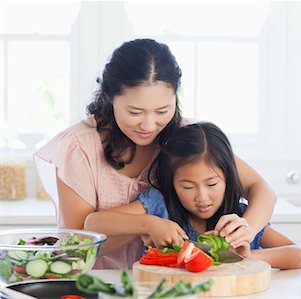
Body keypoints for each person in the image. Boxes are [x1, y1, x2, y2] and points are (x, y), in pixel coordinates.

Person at [33, 38, 277, 269]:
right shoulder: (79, 147)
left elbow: (260, 187)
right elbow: (79, 243)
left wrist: (248, 227)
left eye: (162, 111)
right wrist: (146, 224)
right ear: (110, 96)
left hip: (169, 284)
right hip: (99, 281)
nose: (149, 125)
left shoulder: (188, 138)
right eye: (135, 112)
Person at [85, 122, 301, 269]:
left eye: (212, 184)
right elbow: (92, 223)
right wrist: (148, 224)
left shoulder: (238, 219)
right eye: (187, 187)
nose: (202, 197)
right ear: (171, 181)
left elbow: (299, 255)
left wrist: (250, 257)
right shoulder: (159, 206)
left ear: (229, 178)